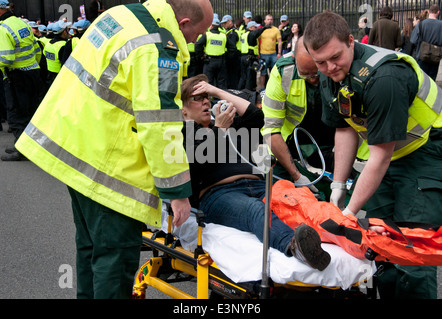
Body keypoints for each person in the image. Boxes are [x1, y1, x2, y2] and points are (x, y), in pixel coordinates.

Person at [16, 0, 213, 299]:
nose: (195, 42)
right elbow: (159, 124)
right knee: (114, 262)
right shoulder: (159, 48)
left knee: (91, 251)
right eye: (197, 34)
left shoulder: (121, 15)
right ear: (183, 22)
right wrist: (177, 193)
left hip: (78, 149)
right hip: (111, 170)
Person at [303, 10, 442, 299]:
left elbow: (380, 157)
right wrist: (338, 187)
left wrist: (350, 212)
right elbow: (345, 130)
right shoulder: (332, 73)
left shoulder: (385, 77)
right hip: (388, 153)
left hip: (425, 152)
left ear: (351, 41)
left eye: (335, 57)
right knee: (379, 242)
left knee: (410, 249)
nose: (329, 67)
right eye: (321, 62)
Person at [180, 74, 331, 272]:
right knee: (256, 210)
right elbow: (197, 165)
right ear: (184, 111)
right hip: (219, 194)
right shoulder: (183, 133)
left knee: (305, 202)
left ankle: (343, 235)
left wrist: (215, 90)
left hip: (259, 185)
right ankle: (295, 247)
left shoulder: (231, 126)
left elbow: (256, 117)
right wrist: (218, 129)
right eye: (197, 98)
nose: (206, 101)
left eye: (207, 96)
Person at [261, 37, 335, 200]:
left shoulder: (336, 66)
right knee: (284, 196)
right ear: (296, 60)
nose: (313, 79)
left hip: (328, 143)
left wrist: (341, 182)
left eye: (317, 72)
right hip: (288, 144)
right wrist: (296, 175)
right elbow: (271, 129)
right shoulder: (284, 71)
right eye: (305, 74)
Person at [0, 0, 41, 161]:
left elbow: (5, 59)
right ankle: (24, 145)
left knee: (16, 115)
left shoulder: (1, 29)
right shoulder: (21, 23)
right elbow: (36, 49)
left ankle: (22, 150)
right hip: (33, 73)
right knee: (30, 112)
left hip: (16, 77)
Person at [195, 17, 235, 89]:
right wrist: (227, 57)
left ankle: (209, 98)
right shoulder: (223, 36)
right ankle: (220, 99)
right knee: (221, 83)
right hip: (221, 62)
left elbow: (197, 45)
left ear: (211, 26)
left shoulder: (207, 35)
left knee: (208, 82)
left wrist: (201, 56)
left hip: (209, 61)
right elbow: (233, 48)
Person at [410, 4, 442, 81]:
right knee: (432, 81)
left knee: (421, 80)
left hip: (422, 56)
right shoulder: (441, 25)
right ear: (438, 12)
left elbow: (413, 40)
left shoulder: (421, 24)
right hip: (435, 56)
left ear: (428, 11)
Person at [43, 20, 71, 86]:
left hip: (49, 77)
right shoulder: (63, 46)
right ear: (64, 32)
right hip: (60, 79)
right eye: (68, 30)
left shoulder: (48, 43)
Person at [258, 14, 282, 89]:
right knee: (263, 73)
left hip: (273, 54)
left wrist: (279, 53)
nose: (270, 21)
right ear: (265, 21)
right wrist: (257, 53)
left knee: (274, 72)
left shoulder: (276, 30)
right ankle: (262, 88)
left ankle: (273, 87)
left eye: (271, 19)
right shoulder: (262, 30)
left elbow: (280, 41)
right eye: (268, 19)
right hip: (263, 54)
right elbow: (257, 41)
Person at [220, 15, 240, 89]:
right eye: (223, 23)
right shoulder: (229, 32)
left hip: (233, 59)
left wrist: (227, 59)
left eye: (225, 23)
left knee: (232, 79)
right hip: (233, 58)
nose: (223, 25)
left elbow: (232, 48)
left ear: (230, 22)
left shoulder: (232, 33)